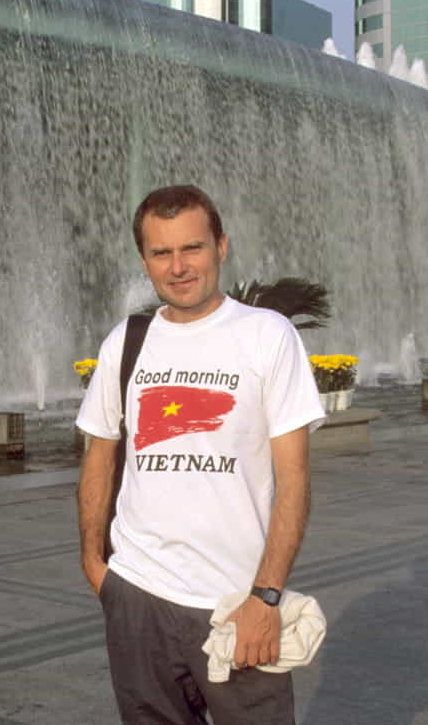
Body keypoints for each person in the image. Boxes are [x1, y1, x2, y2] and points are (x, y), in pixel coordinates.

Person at [76, 185, 326, 724]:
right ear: (144, 260)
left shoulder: (267, 335)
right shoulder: (128, 339)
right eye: (161, 253)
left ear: (221, 247)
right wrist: (96, 566)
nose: (178, 266)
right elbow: (100, 452)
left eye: (192, 248)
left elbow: (295, 479)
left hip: (235, 605)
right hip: (138, 596)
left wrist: (266, 596)